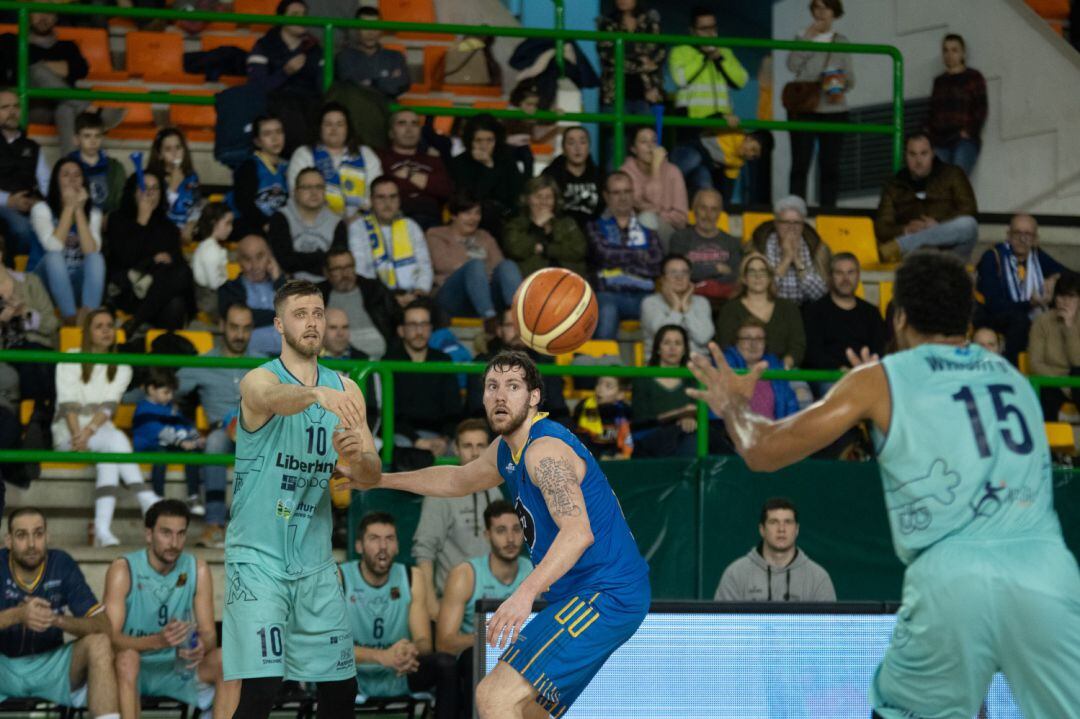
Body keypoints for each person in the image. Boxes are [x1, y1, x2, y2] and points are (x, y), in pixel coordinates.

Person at [687, 250, 1080, 718]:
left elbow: (762, 451)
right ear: (968, 318)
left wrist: (733, 405)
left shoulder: (879, 379)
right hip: (1049, 572)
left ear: (898, 318)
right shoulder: (1012, 378)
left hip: (953, 575)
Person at [355, 350, 651, 719]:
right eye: (492, 386)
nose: (499, 395)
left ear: (534, 397)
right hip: (582, 595)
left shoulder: (544, 452)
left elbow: (577, 534)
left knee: (494, 696)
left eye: (513, 386)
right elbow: (458, 479)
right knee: (528, 710)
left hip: (605, 593)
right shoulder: (506, 451)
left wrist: (522, 595)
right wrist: (381, 478)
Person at [222, 278, 381, 719]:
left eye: (317, 313)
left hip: (314, 563)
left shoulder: (348, 389)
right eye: (299, 314)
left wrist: (356, 458)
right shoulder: (260, 379)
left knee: (341, 690)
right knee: (262, 688)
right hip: (257, 560)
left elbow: (371, 473)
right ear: (279, 324)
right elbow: (272, 398)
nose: (311, 322)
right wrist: (313, 394)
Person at [103, 499, 237, 719]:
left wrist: (199, 646)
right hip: (135, 670)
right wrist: (159, 641)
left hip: (178, 669)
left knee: (227, 660)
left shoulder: (197, 569)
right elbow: (110, 638)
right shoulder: (123, 569)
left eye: (181, 533)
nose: (174, 542)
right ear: (149, 534)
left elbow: (209, 634)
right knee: (127, 659)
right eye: (166, 533)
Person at [53, 308, 160, 547]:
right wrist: (77, 436)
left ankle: (102, 529)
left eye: (109, 325)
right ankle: (145, 496)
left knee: (110, 454)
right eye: (99, 326)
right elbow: (67, 403)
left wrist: (88, 431)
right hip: (66, 432)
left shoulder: (122, 366)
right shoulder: (69, 357)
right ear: (88, 332)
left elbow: (109, 406)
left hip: (100, 432)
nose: (106, 331)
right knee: (115, 442)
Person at [0, 507, 120, 716]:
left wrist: (56, 619)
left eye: (38, 534)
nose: (31, 544)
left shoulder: (61, 563)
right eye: (22, 535)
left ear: (47, 536)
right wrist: (18, 615)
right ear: (8, 541)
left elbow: (104, 626)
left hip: (52, 667)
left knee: (100, 643)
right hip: (5, 668)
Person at [340, 512, 458, 714]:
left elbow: (424, 643)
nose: (383, 546)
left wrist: (409, 650)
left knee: (445, 664)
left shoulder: (412, 577)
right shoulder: (340, 577)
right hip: (353, 677)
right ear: (359, 546)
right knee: (328, 668)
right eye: (374, 538)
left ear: (397, 546)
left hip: (401, 671)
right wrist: (381, 656)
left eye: (390, 538)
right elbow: (329, 648)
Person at [436, 500, 533, 719]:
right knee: (476, 656)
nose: (510, 539)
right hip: (475, 661)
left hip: (519, 657)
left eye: (517, 529)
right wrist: (490, 637)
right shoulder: (465, 575)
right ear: (487, 534)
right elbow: (444, 642)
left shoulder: (535, 572)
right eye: (501, 531)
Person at [176, 303, 255, 548]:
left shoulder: (264, 365)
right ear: (222, 326)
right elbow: (168, 386)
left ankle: (259, 527)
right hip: (222, 431)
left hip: (258, 432)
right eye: (234, 327)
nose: (239, 335)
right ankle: (214, 524)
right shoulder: (202, 363)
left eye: (245, 328)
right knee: (213, 441)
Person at [413, 419, 503, 622]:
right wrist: (431, 605)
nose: (474, 453)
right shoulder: (440, 492)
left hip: (491, 605)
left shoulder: (495, 491)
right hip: (451, 604)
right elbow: (424, 551)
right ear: (455, 449)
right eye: (467, 446)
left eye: (481, 446)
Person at [105, 171, 195, 334]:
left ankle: (136, 322)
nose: (149, 194)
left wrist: (156, 266)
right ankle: (139, 321)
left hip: (158, 293)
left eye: (155, 189)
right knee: (175, 287)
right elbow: (125, 259)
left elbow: (177, 267)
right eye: (144, 188)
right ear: (133, 192)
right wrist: (142, 220)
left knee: (177, 298)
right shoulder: (117, 220)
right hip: (129, 291)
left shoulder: (168, 227)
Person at [785, 0, 855, 208]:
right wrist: (808, 38)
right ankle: (795, 210)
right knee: (800, 164)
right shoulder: (802, 36)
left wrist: (838, 85)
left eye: (826, 7)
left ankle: (828, 212)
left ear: (834, 12)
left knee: (830, 166)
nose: (821, 12)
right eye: (816, 7)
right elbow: (792, 65)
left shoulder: (842, 41)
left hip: (834, 107)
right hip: (804, 107)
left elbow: (850, 78)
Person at [0, 11, 96, 156]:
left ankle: (69, 163)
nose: (43, 17)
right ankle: (87, 109)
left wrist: (37, 64)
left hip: (59, 106)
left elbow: (81, 69)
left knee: (65, 108)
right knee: (36, 71)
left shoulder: (67, 46)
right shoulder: (13, 43)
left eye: (49, 13)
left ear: (56, 17)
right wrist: (51, 67)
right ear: (28, 15)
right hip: (30, 107)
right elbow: (13, 70)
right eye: (38, 12)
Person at [875, 132, 979, 263]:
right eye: (912, 154)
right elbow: (882, 227)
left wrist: (938, 224)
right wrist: (906, 230)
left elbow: (969, 209)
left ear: (933, 153)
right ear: (905, 156)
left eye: (924, 153)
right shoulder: (893, 185)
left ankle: (901, 245)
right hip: (915, 253)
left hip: (950, 251)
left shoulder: (952, 174)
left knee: (969, 224)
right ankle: (909, 244)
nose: (918, 161)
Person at [975, 213, 1064, 365]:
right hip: (992, 316)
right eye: (1017, 233)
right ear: (1008, 235)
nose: (1023, 239)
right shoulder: (992, 256)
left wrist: (1056, 277)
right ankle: (1011, 371)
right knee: (1020, 321)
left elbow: (1070, 275)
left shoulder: (1037, 256)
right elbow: (994, 304)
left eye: (1028, 234)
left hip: (1024, 315)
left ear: (1035, 239)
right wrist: (1030, 304)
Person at [588, 172, 664, 340]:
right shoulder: (595, 226)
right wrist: (640, 256)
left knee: (660, 308)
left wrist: (618, 259)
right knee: (607, 309)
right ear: (606, 196)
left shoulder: (646, 227)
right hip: (609, 294)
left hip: (644, 295)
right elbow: (604, 255)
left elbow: (656, 264)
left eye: (627, 192)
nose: (622, 198)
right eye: (616, 193)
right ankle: (603, 362)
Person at [30, 157, 105, 326]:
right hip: (43, 284)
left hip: (75, 284)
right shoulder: (41, 209)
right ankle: (70, 319)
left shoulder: (93, 213)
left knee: (96, 258)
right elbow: (53, 246)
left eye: (77, 175)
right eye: (65, 175)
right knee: (54, 257)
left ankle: (89, 318)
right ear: (56, 181)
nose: (72, 179)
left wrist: (78, 210)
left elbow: (91, 251)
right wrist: (69, 207)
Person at [715, 497, 836, 602]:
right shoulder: (736, 574)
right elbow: (722, 626)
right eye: (774, 522)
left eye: (788, 522)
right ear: (762, 529)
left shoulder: (818, 578)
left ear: (797, 529)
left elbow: (828, 627)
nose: (781, 529)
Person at [465, 308, 571, 425]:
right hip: (494, 431)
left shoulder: (546, 364)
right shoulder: (482, 363)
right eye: (511, 325)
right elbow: (477, 410)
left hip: (538, 433)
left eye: (523, 326)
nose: (517, 331)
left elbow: (558, 410)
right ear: (499, 330)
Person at [426, 192, 522, 320]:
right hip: (453, 295)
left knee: (508, 265)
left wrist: (478, 273)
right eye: (467, 213)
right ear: (454, 215)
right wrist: (478, 270)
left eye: (477, 213)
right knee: (475, 266)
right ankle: (489, 318)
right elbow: (442, 264)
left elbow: (499, 264)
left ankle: (518, 315)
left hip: (486, 292)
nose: (473, 218)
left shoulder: (485, 236)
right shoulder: (437, 234)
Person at [383, 301, 462, 454]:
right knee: (402, 450)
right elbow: (389, 413)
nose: (419, 331)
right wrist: (416, 440)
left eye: (424, 325)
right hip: (402, 435)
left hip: (441, 437)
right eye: (413, 325)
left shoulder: (444, 361)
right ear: (401, 330)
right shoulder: (388, 361)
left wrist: (444, 439)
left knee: (461, 450)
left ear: (431, 329)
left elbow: (453, 408)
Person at [288, 102, 383, 219]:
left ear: (348, 128)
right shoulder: (304, 153)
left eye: (340, 124)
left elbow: (378, 191)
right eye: (328, 124)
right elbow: (296, 193)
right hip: (315, 219)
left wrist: (356, 218)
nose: (334, 129)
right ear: (319, 127)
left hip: (361, 219)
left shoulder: (365, 153)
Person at [715, 253, 807, 369]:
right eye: (752, 272)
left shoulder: (788, 307)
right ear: (744, 278)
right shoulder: (730, 309)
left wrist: (785, 366)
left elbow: (798, 345)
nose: (757, 276)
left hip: (783, 372)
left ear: (770, 277)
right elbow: (725, 345)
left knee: (801, 388)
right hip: (741, 371)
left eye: (763, 272)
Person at [349, 176, 432, 301]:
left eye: (393, 197)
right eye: (381, 197)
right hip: (377, 298)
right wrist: (388, 298)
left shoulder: (411, 226)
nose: (387, 203)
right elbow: (360, 270)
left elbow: (424, 266)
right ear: (371, 200)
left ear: (399, 200)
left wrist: (419, 291)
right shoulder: (358, 227)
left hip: (413, 296)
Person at [133, 367, 204, 511]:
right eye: (166, 392)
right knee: (161, 454)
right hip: (149, 445)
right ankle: (158, 498)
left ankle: (193, 496)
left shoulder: (170, 406)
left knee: (193, 454)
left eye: (172, 392)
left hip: (170, 443)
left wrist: (196, 438)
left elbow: (183, 423)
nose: (170, 396)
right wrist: (181, 442)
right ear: (152, 389)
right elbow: (159, 432)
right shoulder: (144, 408)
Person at [802, 252, 886, 371]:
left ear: (858, 275)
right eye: (839, 273)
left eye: (850, 272)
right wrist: (840, 369)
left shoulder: (871, 312)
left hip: (865, 374)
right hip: (828, 376)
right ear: (830, 276)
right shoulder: (814, 311)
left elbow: (880, 350)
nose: (845, 279)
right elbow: (813, 353)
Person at [668, 6, 747, 123]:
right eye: (704, 29)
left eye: (713, 27)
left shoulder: (725, 52)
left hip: (722, 120)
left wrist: (720, 58)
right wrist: (704, 56)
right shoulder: (679, 51)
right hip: (690, 121)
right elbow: (680, 79)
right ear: (692, 31)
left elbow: (741, 81)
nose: (710, 33)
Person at [449, 114, 524, 237]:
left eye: (489, 140)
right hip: (473, 218)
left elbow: (516, 193)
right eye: (478, 140)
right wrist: (488, 166)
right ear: (470, 141)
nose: (484, 146)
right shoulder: (459, 163)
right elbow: (471, 199)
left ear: (496, 140)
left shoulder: (506, 160)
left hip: (506, 217)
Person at [268, 167, 347, 282]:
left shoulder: (337, 223)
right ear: (295, 192)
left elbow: (337, 265)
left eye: (319, 187)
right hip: (289, 287)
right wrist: (321, 258)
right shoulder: (280, 218)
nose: (314, 192)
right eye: (307, 187)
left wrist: (297, 258)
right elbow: (285, 261)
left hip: (328, 289)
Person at [377, 109, 452, 230]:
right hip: (394, 217)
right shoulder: (381, 157)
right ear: (391, 132)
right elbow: (379, 190)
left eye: (415, 124)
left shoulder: (433, 160)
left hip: (430, 221)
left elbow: (446, 191)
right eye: (402, 123)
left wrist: (408, 175)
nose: (409, 129)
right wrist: (426, 182)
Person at [749, 195, 830, 306]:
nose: (791, 227)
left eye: (796, 223)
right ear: (776, 223)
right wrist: (786, 260)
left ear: (803, 225)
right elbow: (760, 291)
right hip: (769, 307)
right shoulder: (761, 246)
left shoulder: (815, 248)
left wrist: (797, 261)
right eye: (785, 222)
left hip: (806, 309)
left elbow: (822, 295)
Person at [502, 176, 588, 279]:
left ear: (555, 201)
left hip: (567, 282)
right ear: (527, 200)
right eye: (538, 196)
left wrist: (545, 249)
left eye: (549, 197)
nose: (543, 202)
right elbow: (516, 249)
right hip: (533, 283)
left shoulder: (567, 223)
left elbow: (579, 250)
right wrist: (536, 225)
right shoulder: (516, 225)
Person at [319, 246, 397, 359]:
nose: (345, 274)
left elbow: (396, 324)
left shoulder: (375, 290)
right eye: (337, 269)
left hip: (384, 362)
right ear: (326, 272)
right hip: (340, 364)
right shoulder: (318, 295)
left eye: (349, 267)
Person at [631, 325, 697, 458]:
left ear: (685, 350)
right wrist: (679, 414)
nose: (672, 348)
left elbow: (699, 410)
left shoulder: (693, 379)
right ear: (658, 349)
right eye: (667, 343)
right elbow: (640, 419)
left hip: (685, 434)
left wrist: (690, 418)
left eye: (678, 343)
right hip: (650, 436)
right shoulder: (643, 378)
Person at [927, 33, 987, 177]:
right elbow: (933, 112)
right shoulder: (939, 81)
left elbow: (981, 108)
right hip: (940, 141)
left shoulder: (973, 77)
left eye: (954, 50)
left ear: (963, 53)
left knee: (957, 180)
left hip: (963, 139)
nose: (949, 55)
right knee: (939, 185)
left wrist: (969, 131)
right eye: (946, 50)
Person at [0, 89, 50, 259]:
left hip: (28, 204)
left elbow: (46, 183)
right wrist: (8, 200)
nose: (12, 112)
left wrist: (37, 201)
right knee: (21, 228)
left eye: (16, 106)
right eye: (5, 107)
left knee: (54, 223)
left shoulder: (33, 146)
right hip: (3, 204)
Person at [667, 188, 742, 301]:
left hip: (724, 302)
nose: (708, 215)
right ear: (694, 209)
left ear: (720, 212)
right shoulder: (680, 238)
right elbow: (679, 274)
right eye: (703, 208)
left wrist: (702, 279)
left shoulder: (732, 242)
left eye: (714, 209)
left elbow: (735, 276)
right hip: (688, 300)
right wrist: (716, 269)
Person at [218, 234, 285, 357]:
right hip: (251, 361)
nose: (254, 265)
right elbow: (246, 317)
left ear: (270, 256)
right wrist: (282, 314)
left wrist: (279, 280)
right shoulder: (230, 289)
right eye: (247, 259)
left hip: (290, 360)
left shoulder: (283, 285)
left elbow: (297, 312)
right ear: (239, 261)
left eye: (260, 256)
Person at [619, 126, 689, 243]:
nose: (650, 146)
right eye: (644, 141)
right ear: (633, 149)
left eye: (654, 141)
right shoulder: (625, 173)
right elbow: (648, 205)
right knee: (646, 219)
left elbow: (681, 220)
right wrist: (655, 169)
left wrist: (656, 213)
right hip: (633, 233)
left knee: (647, 218)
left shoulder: (673, 171)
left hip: (669, 234)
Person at [721, 318, 799, 421]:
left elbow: (790, 403)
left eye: (759, 339)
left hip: (774, 432)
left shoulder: (774, 366)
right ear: (736, 343)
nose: (753, 344)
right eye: (747, 338)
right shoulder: (725, 365)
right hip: (738, 434)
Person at [596, 0, 665, 115]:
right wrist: (641, 62)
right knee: (616, 131)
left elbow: (659, 52)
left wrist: (629, 55)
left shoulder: (650, 22)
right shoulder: (607, 23)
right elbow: (608, 55)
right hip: (614, 93)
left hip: (648, 92)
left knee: (648, 131)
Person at [1027, 272, 1080, 421]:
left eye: (1071, 297)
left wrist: (1069, 327)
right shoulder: (1042, 322)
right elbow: (1035, 364)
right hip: (1053, 381)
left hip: (1078, 381)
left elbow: (1078, 362)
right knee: (1047, 391)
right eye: (1061, 296)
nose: (1065, 302)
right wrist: (1063, 383)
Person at [246, 0, 323, 102]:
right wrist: (285, 72)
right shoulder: (264, 46)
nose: (301, 19)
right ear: (281, 18)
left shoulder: (315, 49)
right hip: (272, 107)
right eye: (294, 14)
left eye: (304, 14)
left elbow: (323, 88)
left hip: (306, 107)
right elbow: (256, 89)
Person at [672, 129, 771, 206]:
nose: (750, 154)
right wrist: (723, 117)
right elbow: (713, 120)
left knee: (706, 186)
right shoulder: (732, 132)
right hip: (687, 151)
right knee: (694, 159)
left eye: (754, 156)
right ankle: (667, 181)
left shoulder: (738, 162)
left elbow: (729, 184)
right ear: (749, 138)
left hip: (702, 166)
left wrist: (725, 207)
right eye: (753, 149)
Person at [641, 253, 714, 356]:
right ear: (662, 279)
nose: (679, 277)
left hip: (697, 365)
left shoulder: (701, 302)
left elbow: (703, 338)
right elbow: (663, 338)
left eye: (684, 272)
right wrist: (676, 307)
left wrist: (685, 308)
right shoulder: (650, 303)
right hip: (662, 366)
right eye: (673, 272)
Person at [230, 114, 289, 237]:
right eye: (267, 134)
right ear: (257, 141)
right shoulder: (249, 167)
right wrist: (264, 224)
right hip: (250, 228)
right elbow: (243, 204)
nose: (275, 138)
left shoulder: (288, 166)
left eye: (279, 132)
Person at [335, 6, 410, 99]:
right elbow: (353, 88)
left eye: (375, 26)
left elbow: (401, 85)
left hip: (387, 112)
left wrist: (369, 82)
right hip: (358, 111)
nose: (371, 32)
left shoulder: (395, 56)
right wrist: (385, 80)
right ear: (357, 29)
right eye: (365, 26)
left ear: (381, 29)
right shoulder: (344, 57)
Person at [540, 126, 603, 231]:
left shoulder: (600, 175)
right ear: (564, 148)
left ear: (589, 147)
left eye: (582, 142)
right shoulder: (550, 175)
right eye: (571, 143)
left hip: (593, 234)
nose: (577, 148)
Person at [68, 111, 126, 215]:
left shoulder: (115, 168)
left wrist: (110, 216)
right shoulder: (68, 168)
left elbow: (121, 202)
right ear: (76, 139)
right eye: (87, 136)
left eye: (97, 136)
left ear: (103, 138)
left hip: (108, 222)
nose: (93, 141)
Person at [147, 128, 201, 237]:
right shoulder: (151, 178)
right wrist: (172, 188)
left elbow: (196, 207)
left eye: (178, 147)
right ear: (159, 154)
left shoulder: (191, 177)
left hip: (186, 235)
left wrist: (190, 225)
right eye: (168, 149)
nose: (175, 153)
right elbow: (152, 212)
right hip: (160, 234)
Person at [573, 375, 634, 460]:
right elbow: (578, 440)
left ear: (621, 394)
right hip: (588, 459)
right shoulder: (583, 407)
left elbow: (627, 440)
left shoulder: (625, 411)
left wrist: (621, 455)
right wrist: (599, 456)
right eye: (599, 383)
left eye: (608, 386)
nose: (600, 389)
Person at [191, 202, 234, 320]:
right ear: (214, 223)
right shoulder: (210, 250)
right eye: (227, 223)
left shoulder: (212, 247)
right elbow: (215, 283)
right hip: (209, 300)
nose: (231, 228)